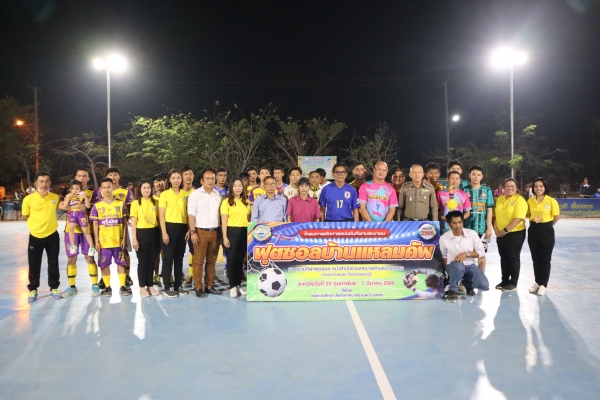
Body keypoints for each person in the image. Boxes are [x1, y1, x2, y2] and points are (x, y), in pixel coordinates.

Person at [22, 171, 63, 302]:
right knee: (34, 263)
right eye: (41, 181)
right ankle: (33, 289)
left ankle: (54, 288)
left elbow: (64, 206)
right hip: (35, 236)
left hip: (52, 235)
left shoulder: (55, 197)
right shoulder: (28, 199)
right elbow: (25, 216)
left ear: (50, 183)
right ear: (36, 183)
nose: (44, 184)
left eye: (46, 181)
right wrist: (35, 226)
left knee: (53, 262)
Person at [62, 169, 101, 296]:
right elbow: (61, 206)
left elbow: (93, 207)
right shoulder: (68, 192)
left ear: (88, 178)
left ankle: (95, 285)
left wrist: (81, 206)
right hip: (71, 230)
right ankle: (71, 286)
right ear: (76, 177)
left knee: (89, 257)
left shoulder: (93, 192)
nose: (82, 178)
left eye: (84, 176)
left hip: (87, 228)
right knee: (71, 258)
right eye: (79, 176)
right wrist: (76, 207)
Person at [96, 167, 134, 289]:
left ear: (119, 176)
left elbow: (130, 209)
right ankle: (104, 279)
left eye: (115, 174)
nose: (113, 176)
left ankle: (126, 276)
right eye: (110, 174)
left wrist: (128, 220)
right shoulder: (100, 192)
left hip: (120, 227)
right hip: (106, 229)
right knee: (104, 255)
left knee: (124, 251)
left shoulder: (126, 192)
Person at [90, 178, 129, 297]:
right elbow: (95, 224)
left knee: (121, 264)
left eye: (109, 187)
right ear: (100, 189)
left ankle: (122, 286)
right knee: (104, 265)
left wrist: (124, 239)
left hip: (118, 241)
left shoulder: (120, 204)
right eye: (104, 187)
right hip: (104, 242)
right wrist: (96, 240)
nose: (107, 190)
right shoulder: (97, 206)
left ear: (112, 188)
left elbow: (125, 223)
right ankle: (107, 287)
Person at [188, 168, 223, 297]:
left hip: (215, 232)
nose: (210, 181)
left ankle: (209, 285)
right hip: (200, 231)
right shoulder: (195, 195)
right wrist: (193, 232)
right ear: (202, 181)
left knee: (211, 261)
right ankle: (198, 287)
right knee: (198, 261)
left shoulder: (218, 195)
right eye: (207, 178)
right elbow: (191, 215)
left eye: (212, 178)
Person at [440, 211, 488, 302]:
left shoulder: (472, 234)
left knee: (484, 285)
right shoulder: (444, 238)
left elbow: (481, 253)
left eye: (459, 222)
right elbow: (444, 257)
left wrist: (466, 254)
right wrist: (444, 274)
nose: (458, 226)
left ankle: (467, 284)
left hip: (470, 266)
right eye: (454, 223)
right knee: (458, 266)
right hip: (453, 266)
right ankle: (452, 291)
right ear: (449, 225)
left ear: (463, 222)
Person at [159, 169, 193, 298]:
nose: (176, 180)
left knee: (179, 259)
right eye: (173, 178)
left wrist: (189, 229)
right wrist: (164, 232)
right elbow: (161, 215)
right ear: (169, 180)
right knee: (168, 259)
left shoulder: (186, 194)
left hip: (182, 229)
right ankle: (167, 287)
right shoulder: (165, 194)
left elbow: (189, 214)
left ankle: (178, 286)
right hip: (169, 228)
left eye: (178, 177)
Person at [527, 177, 560, 296]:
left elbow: (556, 217)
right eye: (536, 186)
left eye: (541, 186)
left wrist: (547, 226)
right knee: (536, 259)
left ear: (545, 187)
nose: (538, 188)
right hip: (533, 230)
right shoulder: (530, 201)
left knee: (545, 259)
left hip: (546, 230)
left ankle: (543, 284)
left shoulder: (551, 201)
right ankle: (537, 282)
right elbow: (529, 215)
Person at [493, 178, 527, 291]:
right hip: (500, 234)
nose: (510, 188)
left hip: (514, 233)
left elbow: (518, 218)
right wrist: (496, 229)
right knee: (504, 257)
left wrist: (506, 230)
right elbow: (496, 216)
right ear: (504, 188)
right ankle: (505, 280)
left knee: (513, 257)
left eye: (512, 186)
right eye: (507, 186)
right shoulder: (500, 199)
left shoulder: (520, 200)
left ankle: (513, 282)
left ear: (516, 188)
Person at [220, 178, 251, 297]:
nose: (238, 188)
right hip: (231, 232)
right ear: (231, 187)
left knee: (239, 261)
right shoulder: (226, 202)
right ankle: (232, 286)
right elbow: (224, 221)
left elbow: (249, 219)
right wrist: (224, 236)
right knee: (232, 260)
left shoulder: (246, 202)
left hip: (244, 232)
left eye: (240, 186)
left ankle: (238, 285)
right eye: (235, 186)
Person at [130, 180, 161, 297]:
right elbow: (133, 222)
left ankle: (150, 285)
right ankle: (142, 287)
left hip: (154, 233)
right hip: (141, 233)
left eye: (148, 187)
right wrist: (134, 239)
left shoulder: (156, 201)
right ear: (140, 189)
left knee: (152, 260)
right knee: (143, 261)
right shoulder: (135, 203)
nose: (147, 190)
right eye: (144, 188)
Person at [463, 165, 495, 272]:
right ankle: (467, 278)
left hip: (482, 229)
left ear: (482, 176)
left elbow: (489, 210)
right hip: (467, 228)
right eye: (474, 174)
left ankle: (481, 277)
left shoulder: (487, 191)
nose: (476, 177)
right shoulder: (464, 191)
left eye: (478, 175)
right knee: (466, 254)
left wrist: (489, 228)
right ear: (469, 175)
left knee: (481, 254)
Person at [151, 173, 166, 286]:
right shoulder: (151, 198)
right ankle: (156, 275)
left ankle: (167, 274)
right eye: (156, 181)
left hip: (168, 227)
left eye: (161, 181)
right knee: (156, 254)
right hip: (155, 229)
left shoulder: (168, 195)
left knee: (167, 254)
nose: (158, 183)